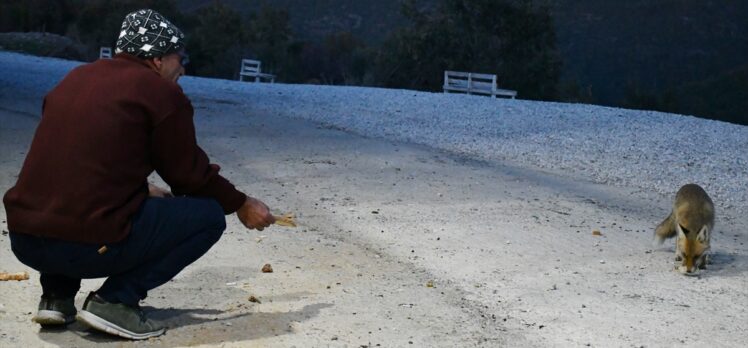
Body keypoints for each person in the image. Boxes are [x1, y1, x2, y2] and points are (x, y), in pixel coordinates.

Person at [2, 9, 275, 340]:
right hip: (85, 245)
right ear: (157, 58)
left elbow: (79, 164)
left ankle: (56, 296)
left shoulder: (74, 80)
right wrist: (240, 203)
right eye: (179, 57)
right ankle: (115, 301)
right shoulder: (160, 93)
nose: (183, 68)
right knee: (208, 216)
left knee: (64, 198)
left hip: (26, 238)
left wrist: (141, 189)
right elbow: (189, 177)